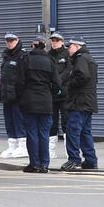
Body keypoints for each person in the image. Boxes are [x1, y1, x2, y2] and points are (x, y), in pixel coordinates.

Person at [17, 35, 62, 173]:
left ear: (33, 46)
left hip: (29, 101)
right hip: (46, 101)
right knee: (44, 133)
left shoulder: (26, 59)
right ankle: (44, 165)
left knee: (32, 133)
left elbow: (19, 82)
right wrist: (51, 96)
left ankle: (34, 164)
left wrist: (21, 97)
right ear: (44, 46)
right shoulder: (50, 61)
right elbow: (57, 84)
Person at [60, 36, 98, 172]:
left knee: (73, 131)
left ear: (77, 46)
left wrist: (69, 84)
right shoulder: (89, 58)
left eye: (69, 47)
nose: (68, 50)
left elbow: (82, 76)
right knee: (84, 132)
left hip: (79, 102)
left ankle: (74, 160)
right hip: (87, 102)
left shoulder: (81, 58)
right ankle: (90, 160)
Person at [0, 32, 28, 159]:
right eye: (7, 41)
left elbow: (23, 77)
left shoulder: (22, 56)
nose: (9, 43)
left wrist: (21, 95)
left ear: (17, 40)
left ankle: (23, 146)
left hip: (18, 96)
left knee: (19, 121)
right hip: (7, 95)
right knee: (9, 121)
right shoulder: (6, 55)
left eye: (12, 40)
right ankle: (12, 146)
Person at [47, 31, 70, 159]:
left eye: (56, 40)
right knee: (52, 122)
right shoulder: (48, 55)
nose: (54, 43)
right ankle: (51, 150)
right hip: (52, 94)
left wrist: (58, 81)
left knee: (66, 121)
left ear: (62, 41)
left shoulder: (67, 54)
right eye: (53, 40)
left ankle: (69, 150)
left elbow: (69, 70)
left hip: (65, 93)